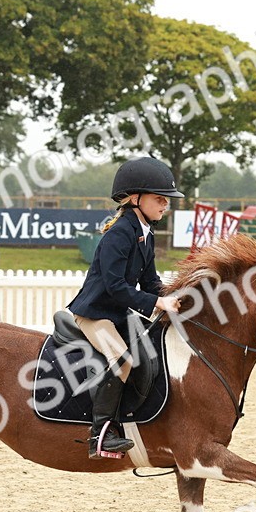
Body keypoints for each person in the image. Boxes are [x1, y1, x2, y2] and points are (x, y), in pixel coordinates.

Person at [67, 157, 183, 458]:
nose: (165, 206)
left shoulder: (145, 232)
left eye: (166, 200)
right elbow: (116, 286)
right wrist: (157, 302)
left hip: (117, 313)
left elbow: (149, 280)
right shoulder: (119, 233)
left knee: (152, 349)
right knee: (123, 360)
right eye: (160, 199)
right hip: (94, 314)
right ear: (135, 199)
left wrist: (176, 296)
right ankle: (100, 435)